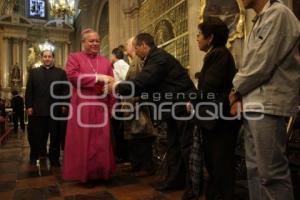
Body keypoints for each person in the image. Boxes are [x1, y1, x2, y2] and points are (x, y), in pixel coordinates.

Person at [229, 0, 300, 199]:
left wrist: (235, 88)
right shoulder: (260, 20)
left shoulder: (278, 14)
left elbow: (261, 64)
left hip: (268, 103)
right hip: (254, 101)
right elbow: (249, 64)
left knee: (270, 174)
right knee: (254, 171)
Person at [115, 33, 195, 191]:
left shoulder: (158, 58)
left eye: (136, 48)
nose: (135, 52)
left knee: (185, 147)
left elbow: (143, 81)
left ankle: (191, 185)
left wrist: (117, 86)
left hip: (183, 105)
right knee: (174, 145)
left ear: (144, 45)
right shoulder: (153, 58)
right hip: (174, 107)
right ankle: (175, 181)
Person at [184, 17, 241, 200]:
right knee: (215, 163)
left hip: (220, 120)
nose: (197, 39)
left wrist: (192, 100)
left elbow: (209, 87)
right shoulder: (217, 53)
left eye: (199, 35)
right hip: (216, 118)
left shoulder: (219, 54)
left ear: (210, 37)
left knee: (220, 164)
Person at [63, 28, 115, 186]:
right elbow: (72, 77)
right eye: (91, 41)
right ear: (83, 42)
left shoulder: (105, 61)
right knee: (85, 141)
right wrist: (97, 77)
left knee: (102, 140)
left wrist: (112, 101)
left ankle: (101, 173)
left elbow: (112, 83)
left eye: (97, 41)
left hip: (101, 106)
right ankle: (85, 174)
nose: (95, 43)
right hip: (83, 107)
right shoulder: (74, 57)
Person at [25, 50, 68, 167]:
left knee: (55, 136)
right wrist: (29, 106)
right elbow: (29, 90)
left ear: (53, 58)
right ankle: (37, 155)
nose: (47, 59)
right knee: (37, 135)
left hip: (55, 110)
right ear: (41, 58)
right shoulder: (34, 72)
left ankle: (54, 158)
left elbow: (66, 90)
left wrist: (64, 105)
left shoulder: (61, 73)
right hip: (38, 110)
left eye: (49, 56)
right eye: (45, 56)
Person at [123, 37, 155, 175]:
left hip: (138, 104)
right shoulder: (132, 62)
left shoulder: (138, 61)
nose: (128, 48)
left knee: (141, 135)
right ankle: (136, 164)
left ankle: (145, 166)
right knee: (134, 136)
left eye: (130, 45)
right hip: (132, 104)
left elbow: (140, 82)